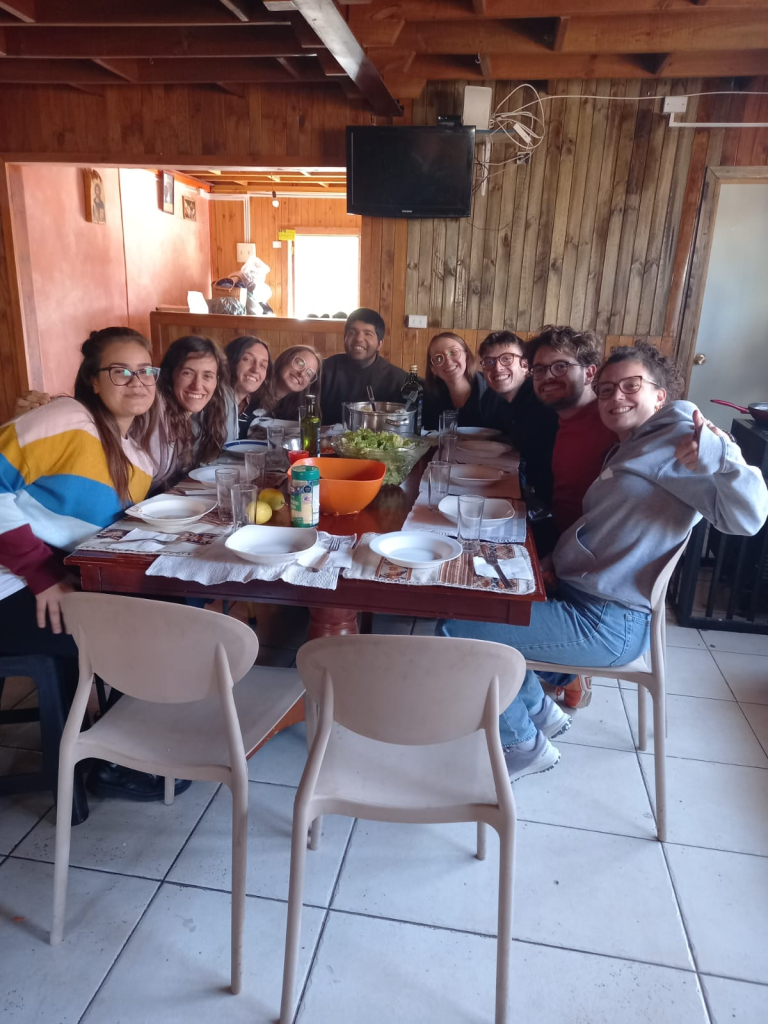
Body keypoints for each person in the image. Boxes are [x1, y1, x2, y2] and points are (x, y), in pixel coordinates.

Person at [439, 342, 768, 781]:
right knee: (477, 597)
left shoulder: (676, 443)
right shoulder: (634, 443)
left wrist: (725, 458)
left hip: (606, 621)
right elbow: (601, 526)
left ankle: (522, 745)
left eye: (631, 386)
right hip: (592, 598)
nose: (616, 397)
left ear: (659, 395)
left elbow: (748, 518)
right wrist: (554, 560)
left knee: (456, 629)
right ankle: (541, 712)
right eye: (608, 389)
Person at [0, 327, 188, 801]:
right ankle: (114, 764)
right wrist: (40, 573)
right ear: (93, 380)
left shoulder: (138, 458)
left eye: (146, 371)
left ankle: (122, 746)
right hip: (12, 584)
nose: (137, 381)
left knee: (167, 608)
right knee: (135, 632)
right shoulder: (68, 418)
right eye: (120, 371)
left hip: (53, 576)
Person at [527, 325, 617, 538]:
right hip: (558, 535)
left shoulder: (612, 420)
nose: (548, 377)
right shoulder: (563, 418)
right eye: (539, 370)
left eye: (561, 366)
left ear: (589, 373)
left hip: (585, 547)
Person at [478, 330, 559, 503]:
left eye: (507, 359)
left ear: (525, 364)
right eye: (489, 361)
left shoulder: (542, 401)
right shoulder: (500, 402)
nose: (497, 367)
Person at [152, 335, 235, 484]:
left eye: (207, 376)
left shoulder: (193, 418)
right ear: (170, 375)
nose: (197, 385)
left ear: (216, 382)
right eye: (187, 373)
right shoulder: (154, 414)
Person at [320, 309, 407, 426]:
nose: (359, 339)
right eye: (352, 332)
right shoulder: (325, 369)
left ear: (379, 344)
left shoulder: (398, 379)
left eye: (368, 334)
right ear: (345, 337)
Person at [422, 332, 486, 430]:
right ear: (433, 369)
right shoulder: (430, 399)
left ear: (467, 356)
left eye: (453, 352)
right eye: (439, 358)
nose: (448, 361)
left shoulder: (491, 391)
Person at [224, 335, 272, 439]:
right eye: (247, 359)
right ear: (229, 360)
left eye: (263, 365)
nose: (256, 370)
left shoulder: (247, 401)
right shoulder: (214, 399)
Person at [265, 345, 322, 423]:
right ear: (285, 358)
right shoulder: (253, 390)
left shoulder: (298, 411)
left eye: (309, 373)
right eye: (300, 363)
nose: (302, 374)